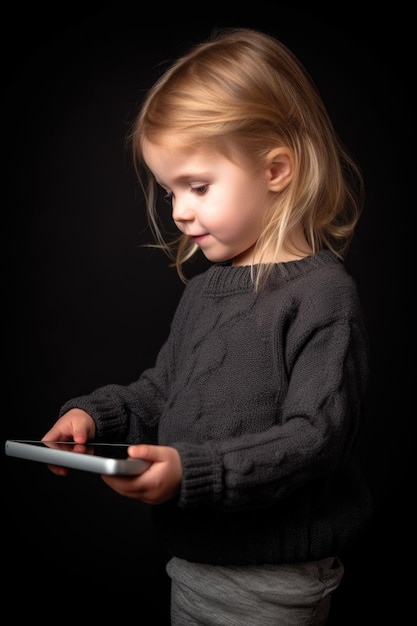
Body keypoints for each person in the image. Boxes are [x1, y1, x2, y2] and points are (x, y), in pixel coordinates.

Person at [42, 27, 372, 625]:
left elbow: (316, 437)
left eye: (197, 186)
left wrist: (197, 472)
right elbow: (164, 388)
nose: (179, 211)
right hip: (192, 564)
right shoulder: (203, 293)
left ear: (276, 169)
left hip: (272, 585)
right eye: (170, 191)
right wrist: (96, 415)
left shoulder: (324, 296)